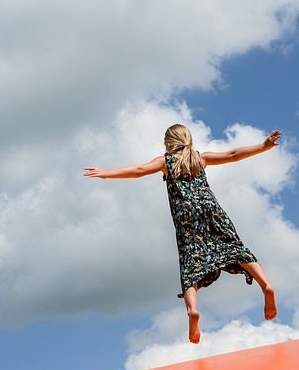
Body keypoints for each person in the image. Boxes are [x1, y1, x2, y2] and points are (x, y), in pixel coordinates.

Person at [84, 124, 281, 344]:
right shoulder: (200, 159)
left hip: (186, 217)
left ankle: (193, 310)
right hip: (211, 209)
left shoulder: (165, 162)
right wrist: (263, 146)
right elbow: (233, 155)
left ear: (168, 142)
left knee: (190, 263)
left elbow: (139, 171)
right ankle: (265, 285)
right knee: (236, 248)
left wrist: (106, 174)